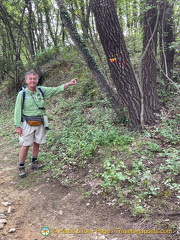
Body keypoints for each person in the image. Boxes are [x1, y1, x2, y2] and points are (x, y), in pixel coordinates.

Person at [14, 71, 77, 178]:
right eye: (30, 79)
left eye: (35, 79)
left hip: (40, 121)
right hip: (27, 123)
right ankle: (21, 167)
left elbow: (55, 89)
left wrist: (68, 84)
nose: (32, 81)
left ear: (37, 80)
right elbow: (17, 109)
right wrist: (17, 126)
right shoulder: (22, 94)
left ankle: (34, 162)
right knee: (25, 145)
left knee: (37, 142)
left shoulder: (41, 90)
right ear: (26, 81)